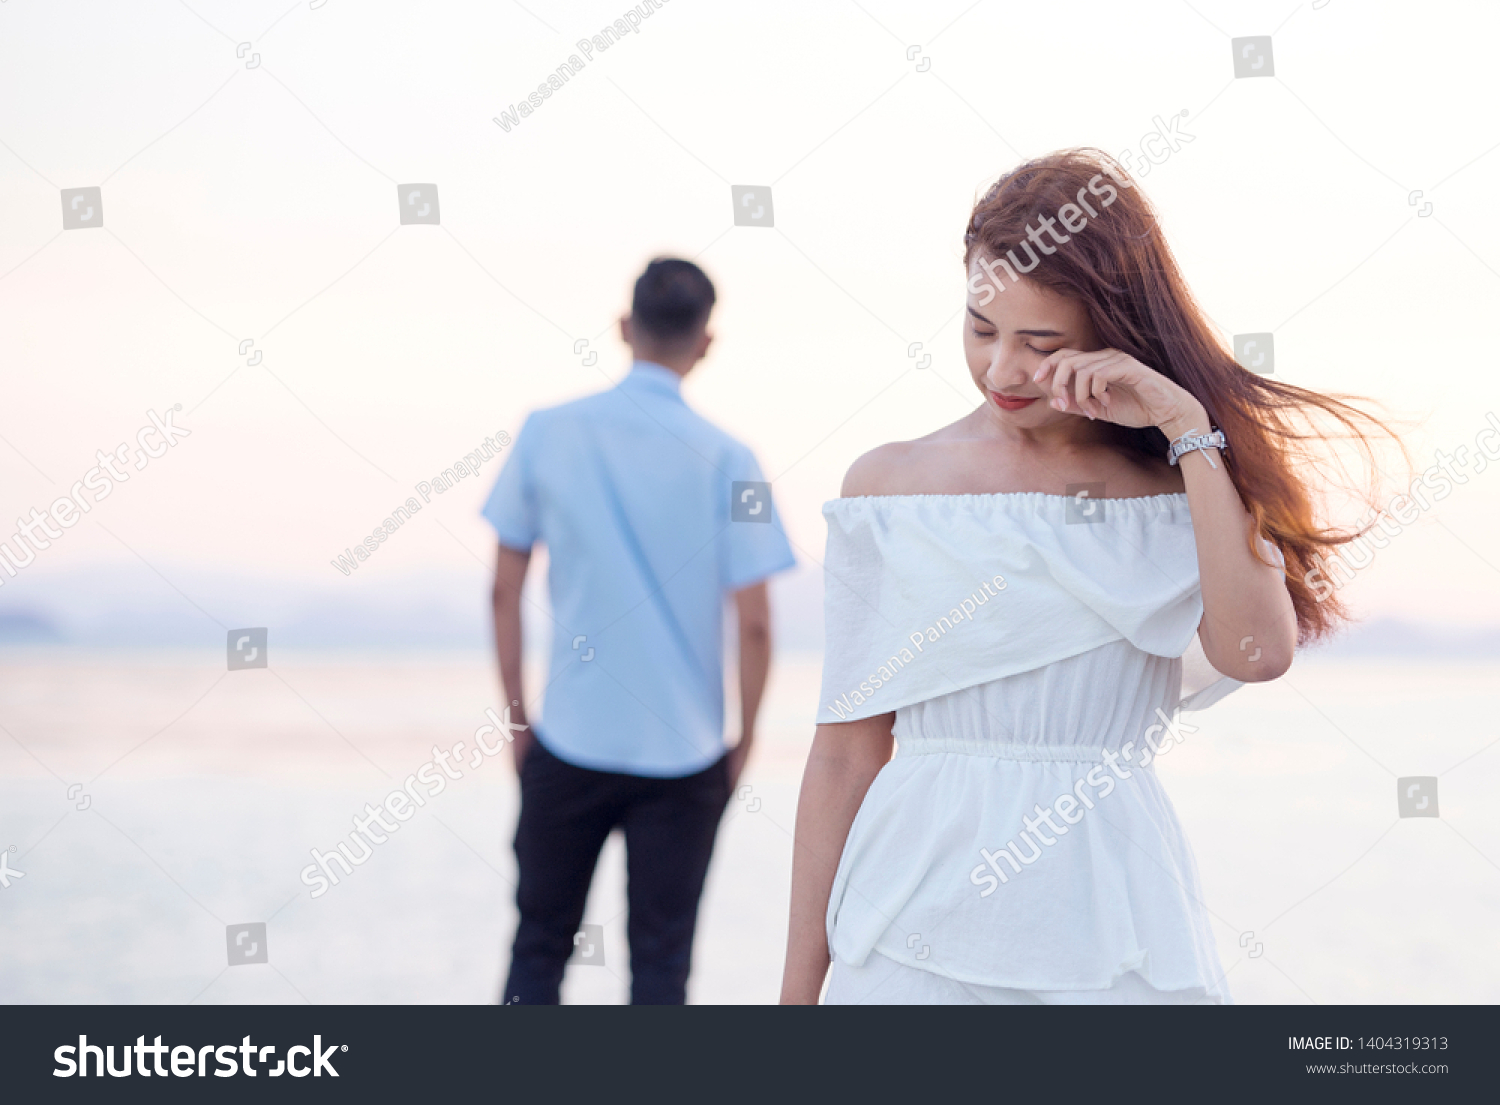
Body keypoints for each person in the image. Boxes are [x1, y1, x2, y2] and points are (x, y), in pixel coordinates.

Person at [779, 149, 1395, 1005]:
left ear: (1114, 334)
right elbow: (846, 752)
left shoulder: (1179, 485)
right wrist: (795, 997)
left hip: (1113, 908)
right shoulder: (891, 487)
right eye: (980, 329)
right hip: (908, 918)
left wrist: (1189, 428)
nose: (1001, 372)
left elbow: (1257, 652)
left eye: (1041, 344)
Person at [485, 257, 795, 1005]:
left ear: (624, 327)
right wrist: (745, 738)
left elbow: (503, 587)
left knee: (537, 951)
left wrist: (517, 720)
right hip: (686, 754)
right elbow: (754, 624)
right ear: (707, 342)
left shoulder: (547, 431)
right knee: (662, 967)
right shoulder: (734, 459)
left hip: (568, 737)